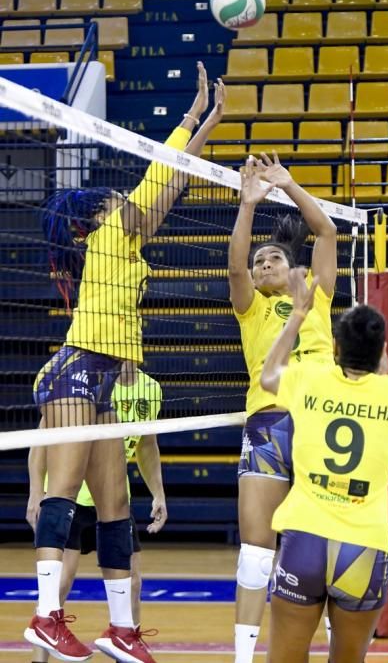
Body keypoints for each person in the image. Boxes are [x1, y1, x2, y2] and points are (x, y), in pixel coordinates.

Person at [24, 62, 225, 663]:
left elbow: (173, 185)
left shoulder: (130, 237)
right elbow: (160, 175)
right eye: (120, 199)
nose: (131, 203)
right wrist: (188, 117)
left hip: (104, 378)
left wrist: (208, 124)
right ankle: (44, 616)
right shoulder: (108, 236)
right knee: (63, 492)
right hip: (77, 368)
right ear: (102, 216)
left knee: (116, 507)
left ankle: (120, 630)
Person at [260, 270, 388, 663]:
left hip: (305, 539)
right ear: (382, 348)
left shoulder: (310, 379)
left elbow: (267, 376)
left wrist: (298, 314)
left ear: (334, 346)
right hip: (363, 548)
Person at [228, 154, 337, 663]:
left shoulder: (314, 294)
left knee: (331, 538)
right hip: (269, 422)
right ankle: (244, 656)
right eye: (259, 261)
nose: (263, 264)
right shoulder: (250, 308)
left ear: (291, 267)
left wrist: (289, 184)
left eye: (272, 258)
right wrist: (248, 205)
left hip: (320, 418)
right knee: (256, 546)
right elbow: (233, 265)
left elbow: (327, 232)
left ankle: (340, 644)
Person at [27, 361, 166, 663]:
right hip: (73, 497)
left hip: (113, 496)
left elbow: (147, 445)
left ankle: (125, 643)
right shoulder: (83, 378)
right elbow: (42, 438)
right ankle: (41, 653)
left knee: (133, 581)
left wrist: (158, 492)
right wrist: (36, 490)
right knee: (61, 583)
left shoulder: (151, 389)